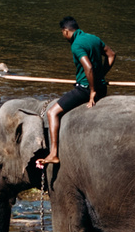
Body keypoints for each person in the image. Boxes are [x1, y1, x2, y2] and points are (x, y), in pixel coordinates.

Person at [43, 16, 110, 168]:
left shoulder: (76, 45)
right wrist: (102, 75)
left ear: (66, 31)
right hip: (102, 87)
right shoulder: (93, 38)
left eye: (62, 33)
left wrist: (92, 91)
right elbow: (112, 55)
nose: (63, 36)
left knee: (52, 112)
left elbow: (88, 68)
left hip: (85, 90)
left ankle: (53, 153)